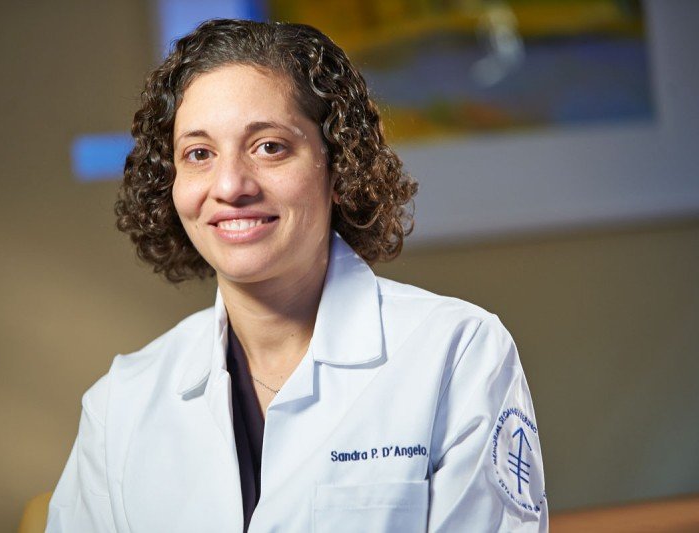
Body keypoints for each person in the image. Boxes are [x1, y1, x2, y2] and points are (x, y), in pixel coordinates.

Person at [47, 18, 548, 533]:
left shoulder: (457, 354)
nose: (230, 186)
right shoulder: (121, 402)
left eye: (269, 146)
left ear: (338, 167)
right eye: (199, 154)